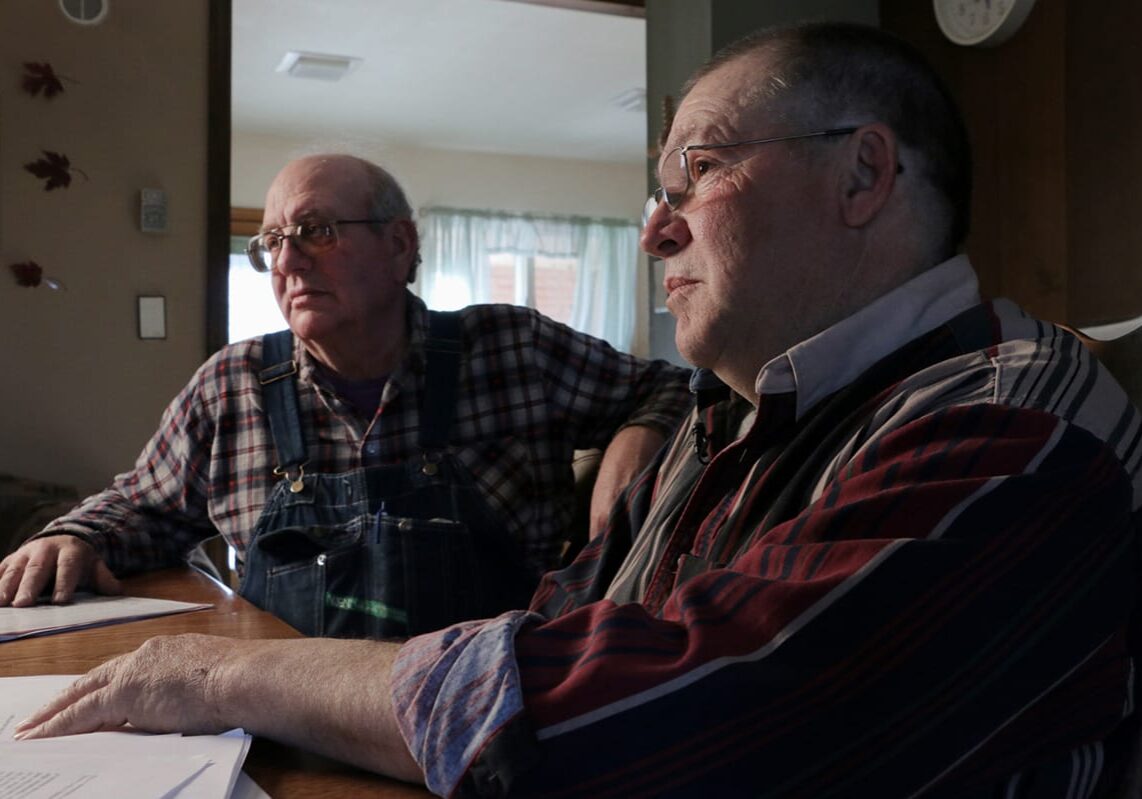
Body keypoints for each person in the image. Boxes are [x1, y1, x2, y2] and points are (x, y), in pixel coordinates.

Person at [12, 21, 1142, 797]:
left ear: (861, 177)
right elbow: (566, 616)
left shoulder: (1015, 430)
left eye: (691, 173)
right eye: (270, 243)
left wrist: (223, 674)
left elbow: (717, 712)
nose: (653, 229)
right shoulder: (732, 422)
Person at [0, 153, 692, 638]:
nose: (288, 260)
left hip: (498, 716)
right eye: (272, 240)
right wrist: (72, 534)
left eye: (317, 231)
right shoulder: (230, 386)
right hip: (297, 727)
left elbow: (675, 385)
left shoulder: (512, 347)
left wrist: (641, 433)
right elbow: (141, 505)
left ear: (399, 246)